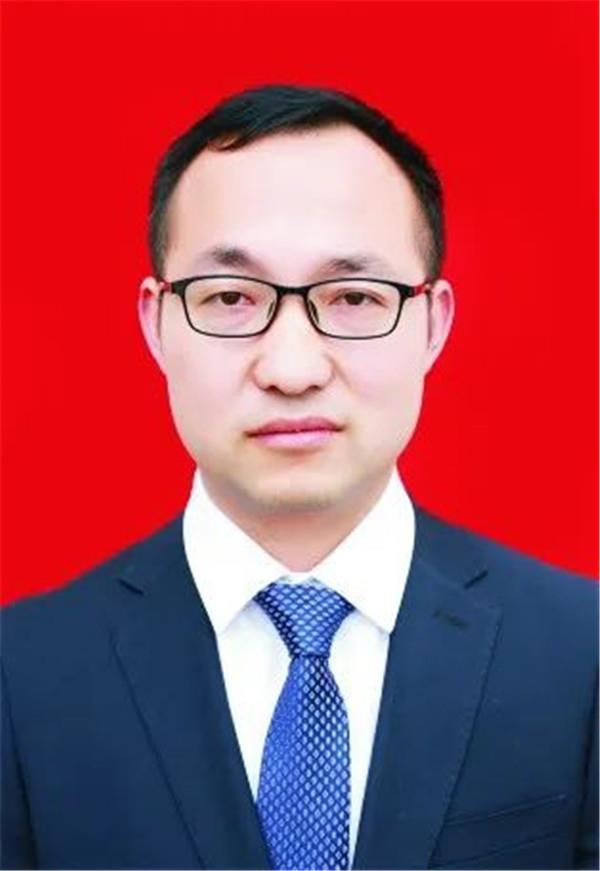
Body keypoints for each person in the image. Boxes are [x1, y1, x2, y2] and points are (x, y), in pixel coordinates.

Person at [1, 83, 597, 871]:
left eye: (353, 297)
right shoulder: (21, 675)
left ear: (433, 323)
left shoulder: (582, 654)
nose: (291, 367)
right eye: (229, 297)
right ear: (156, 323)